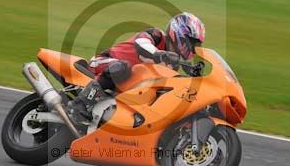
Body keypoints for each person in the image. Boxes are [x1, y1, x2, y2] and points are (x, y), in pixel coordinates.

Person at [68, 12, 206, 124]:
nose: (193, 47)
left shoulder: (173, 63)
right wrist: (159, 54)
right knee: (123, 67)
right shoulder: (156, 35)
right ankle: (79, 104)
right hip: (103, 63)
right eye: (192, 42)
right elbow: (141, 43)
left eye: (196, 44)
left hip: (126, 84)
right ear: (179, 33)